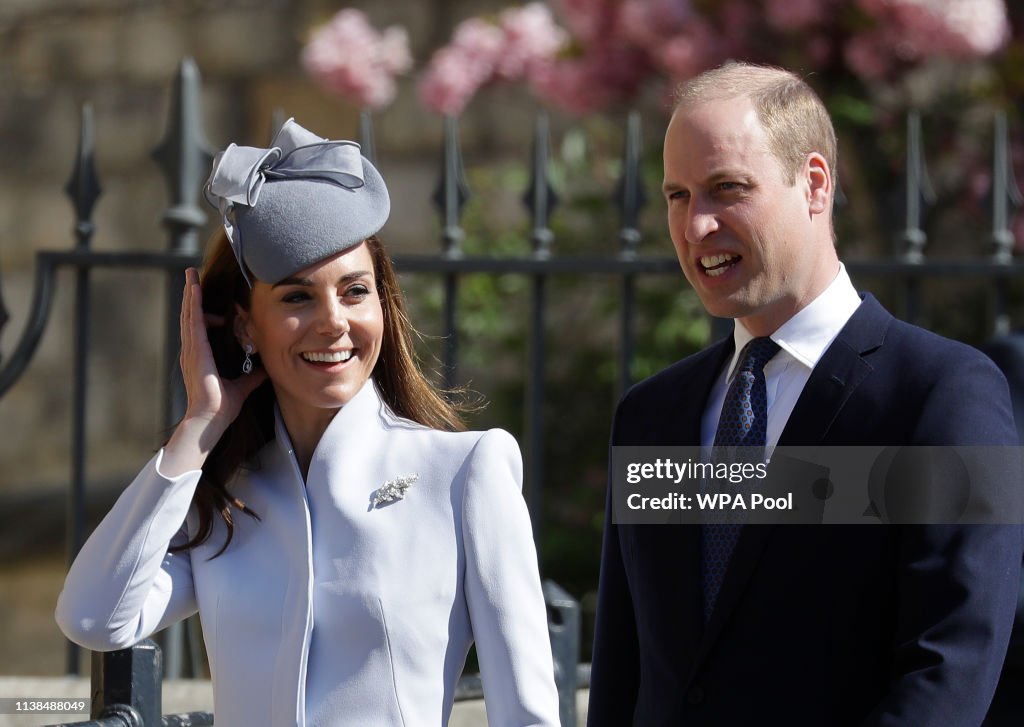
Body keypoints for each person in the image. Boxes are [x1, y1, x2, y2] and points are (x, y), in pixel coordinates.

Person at [56, 119, 560, 727]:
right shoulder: (224, 497)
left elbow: (528, 712)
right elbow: (95, 619)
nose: (333, 322)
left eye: (354, 292)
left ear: (383, 305)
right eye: (297, 297)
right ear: (245, 326)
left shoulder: (463, 470)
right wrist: (200, 425)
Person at [588, 62, 1023, 726]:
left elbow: (947, 672)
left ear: (814, 183)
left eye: (727, 188)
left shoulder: (943, 396)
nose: (696, 225)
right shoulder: (651, 416)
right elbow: (626, 674)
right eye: (677, 195)